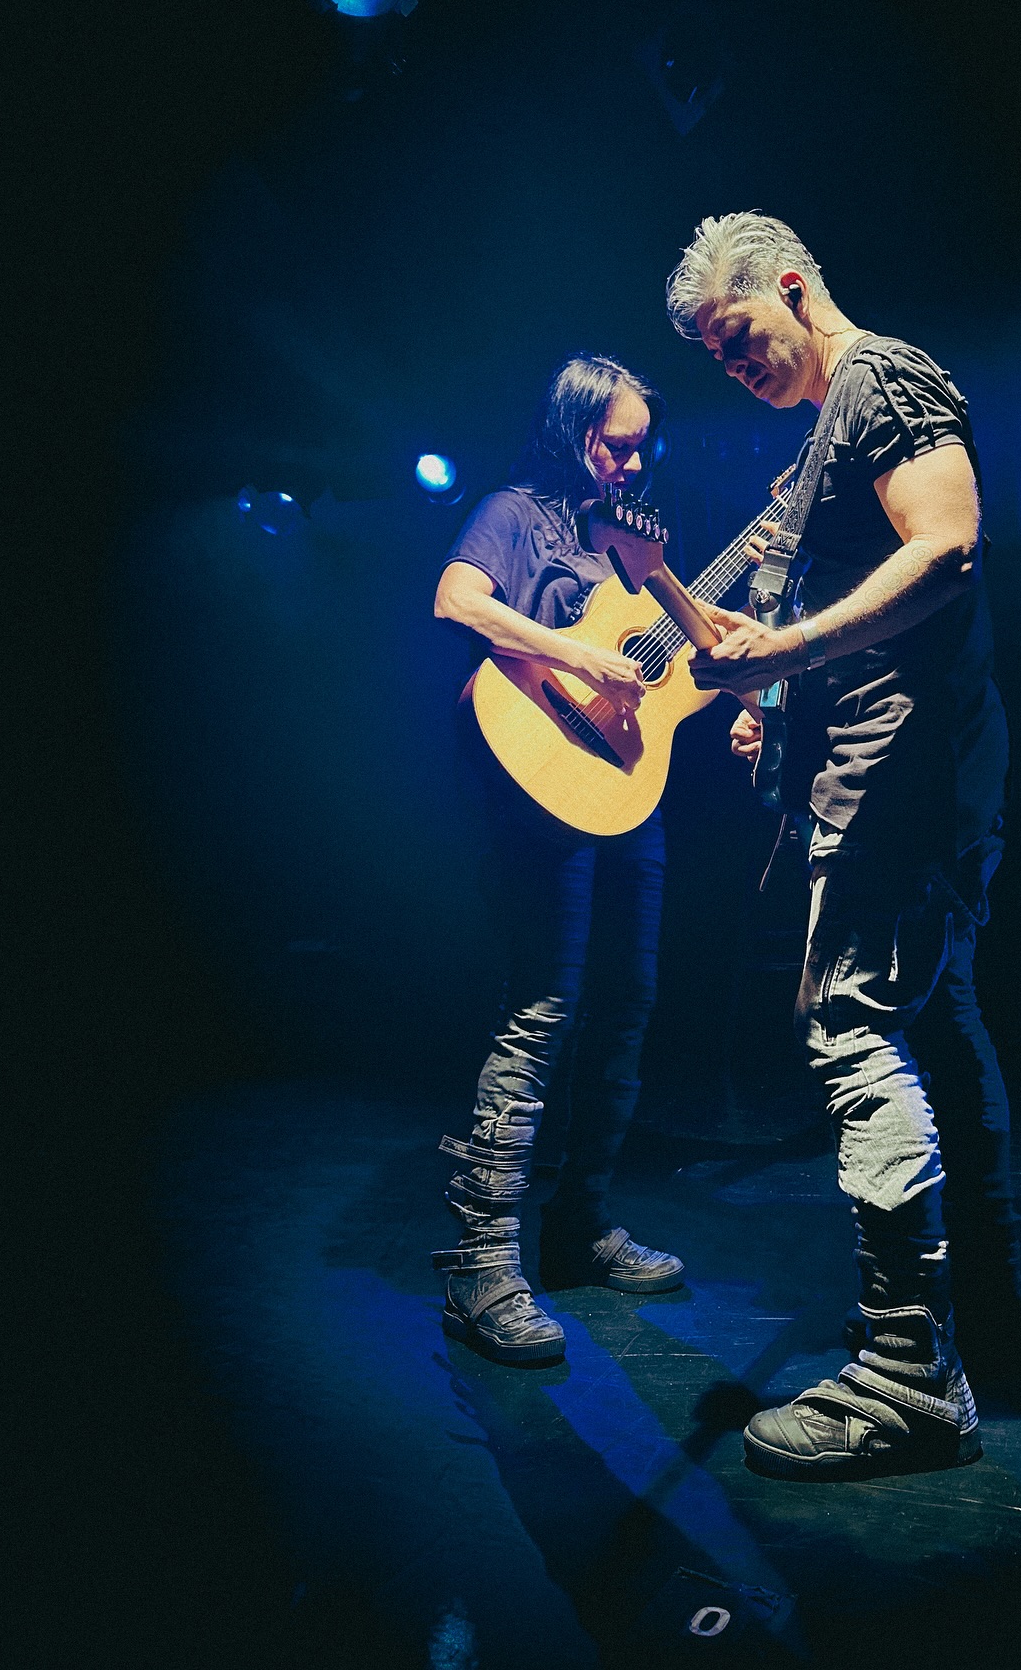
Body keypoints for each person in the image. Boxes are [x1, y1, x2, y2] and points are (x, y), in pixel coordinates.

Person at [666, 212, 1021, 1479]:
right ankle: (985, 1322)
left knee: (850, 1031)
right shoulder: (829, 424)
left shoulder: (881, 376)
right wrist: (776, 705)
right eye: (716, 361)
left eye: (738, 338)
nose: (735, 368)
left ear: (789, 286)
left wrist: (779, 654)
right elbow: (867, 605)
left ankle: (905, 1377)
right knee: (938, 1025)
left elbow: (948, 551)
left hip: (904, 782)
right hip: (890, 772)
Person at [430, 354, 685, 1365]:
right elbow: (457, 601)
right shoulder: (515, 512)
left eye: (641, 445)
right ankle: (478, 1265)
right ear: (573, 429)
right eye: (616, 441)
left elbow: (664, 669)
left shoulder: (623, 542)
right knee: (542, 1008)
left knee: (628, 999)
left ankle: (579, 1227)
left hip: (626, 784)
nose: (632, 459)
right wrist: (582, 657)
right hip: (536, 782)